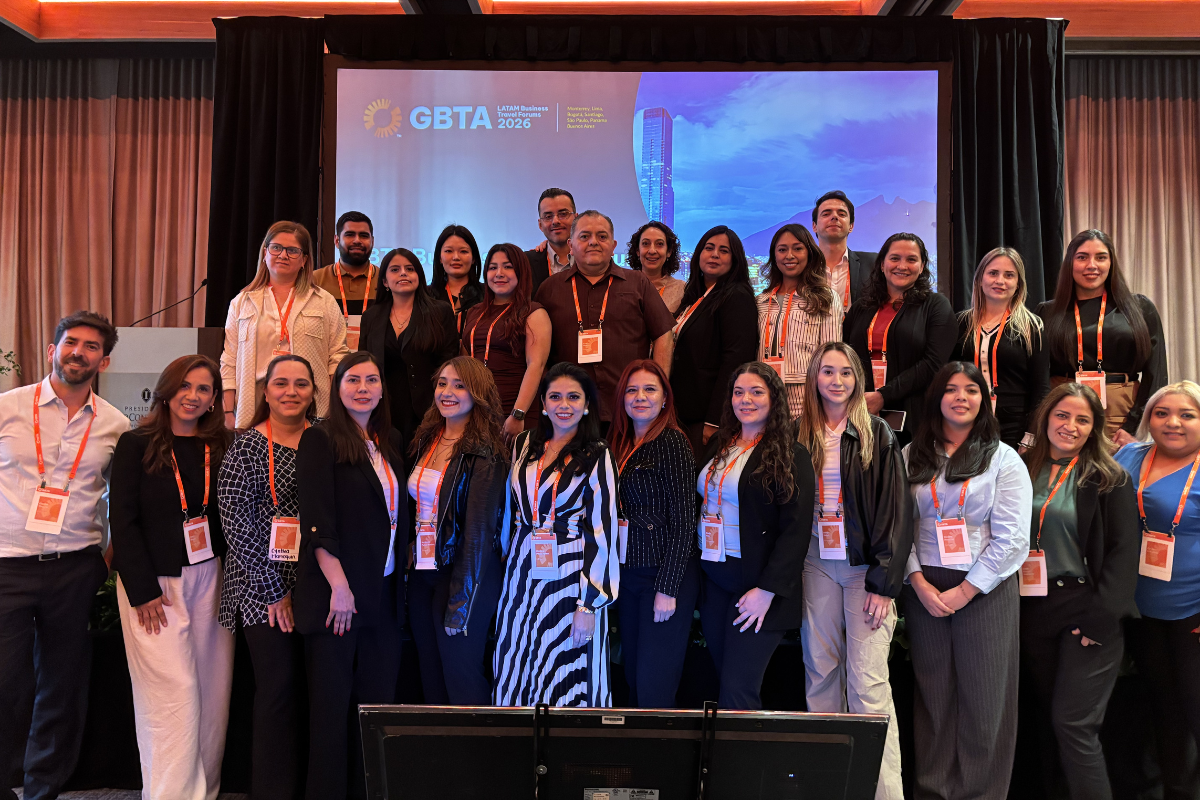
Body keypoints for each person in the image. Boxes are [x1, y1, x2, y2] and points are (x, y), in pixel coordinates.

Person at [0, 312, 129, 800]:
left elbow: (126, 502)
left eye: (92, 346)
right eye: (71, 342)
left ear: (104, 361)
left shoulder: (115, 424)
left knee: (61, 688)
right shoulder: (8, 407)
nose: (79, 352)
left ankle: (43, 791)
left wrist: (105, 561)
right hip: (6, 564)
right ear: (52, 349)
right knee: (6, 685)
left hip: (74, 568)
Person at [902, 361, 1032, 800]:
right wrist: (917, 581)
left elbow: (1013, 538)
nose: (961, 397)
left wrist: (966, 589)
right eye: (951, 389)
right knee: (933, 698)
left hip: (984, 587)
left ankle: (981, 792)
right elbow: (897, 527)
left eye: (971, 390)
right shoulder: (911, 455)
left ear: (984, 400)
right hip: (925, 586)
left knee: (984, 699)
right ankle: (932, 790)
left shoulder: (1003, 458)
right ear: (936, 398)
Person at [110, 354, 234, 800]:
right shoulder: (135, 443)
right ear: (166, 390)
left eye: (203, 389)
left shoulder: (222, 445)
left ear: (214, 399)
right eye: (184, 386)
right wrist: (141, 589)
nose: (192, 396)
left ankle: (206, 790)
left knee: (212, 692)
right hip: (155, 585)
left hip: (211, 578)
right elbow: (122, 521)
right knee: (172, 695)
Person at [796, 342, 911, 800]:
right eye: (828, 371)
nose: (837, 380)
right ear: (814, 378)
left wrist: (884, 583)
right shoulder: (798, 432)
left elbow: (895, 510)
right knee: (820, 675)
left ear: (858, 380)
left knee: (868, 686)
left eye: (846, 372)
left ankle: (885, 794)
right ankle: (829, 788)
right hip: (815, 565)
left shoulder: (877, 433)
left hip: (864, 570)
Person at [293, 351, 407, 800]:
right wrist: (339, 588)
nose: (363, 388)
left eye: (371, 380)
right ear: (337, 388)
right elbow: (317, 522)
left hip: (385, 593)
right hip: (338, 597)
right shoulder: (319, 438)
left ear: (382, 388)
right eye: (353, 380)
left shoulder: (390, 439)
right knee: (330, 711)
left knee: (374, 709)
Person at [1019, 382, 1138, 800]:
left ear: (1094, 428)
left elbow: (1124, 553)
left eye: (1082, 420)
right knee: (1045, 724)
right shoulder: (1020, 467)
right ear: (1045, 418)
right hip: (1033, 609)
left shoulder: (1109, 478)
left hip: (1086, 610)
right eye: (1062, 415)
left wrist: (1099, 621)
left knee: (1074, 724)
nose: (1070, 426)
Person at [218, 353, 319, 800]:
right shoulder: (245, 447)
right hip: (261, 589)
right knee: (277, 692)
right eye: (281, 384)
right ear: (265, 392)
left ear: (314, 392)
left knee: (311, 693)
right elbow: (237, 528)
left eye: (301, 384)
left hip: (314, 586)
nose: (291, 392)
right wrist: (275, 592)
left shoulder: (324, 441)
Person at [493, 362, 619, 707]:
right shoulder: (524, 443)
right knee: (517, 662)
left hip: (571, 578)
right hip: (522, 571)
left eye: (573, 397)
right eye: (555, 397)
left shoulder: (598, 454)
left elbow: (603, 532)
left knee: (566, 669)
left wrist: (589, 605)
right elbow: (509, 509)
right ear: (544, 404)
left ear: (587, 404)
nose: (564, 405)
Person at [696, 362, 814, 710]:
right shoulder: (720, 443)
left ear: (774, 399)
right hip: (714, 578)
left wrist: (767, 591)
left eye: (756, 392)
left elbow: (796, 532)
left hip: (758, 587)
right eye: (738, 392)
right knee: (724, 680)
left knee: (738, 690)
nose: (745, 399)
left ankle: (741, 749)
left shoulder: (792, 454)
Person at [1115, 381, 1200, 799]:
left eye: (1187, 415)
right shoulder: (1130, 456)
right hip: (1141, 609)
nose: (1173, 422)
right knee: (1164, 712)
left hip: (1193, 612)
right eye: (1162, 413)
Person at [406, 357, 508, 705]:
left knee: (460, 675)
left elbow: (478, 535)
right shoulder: (428, 437)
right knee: (430, 673)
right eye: (442, 383)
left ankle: (479, 742)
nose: (447, 392)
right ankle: (441, 742)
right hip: (424, 571)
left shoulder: (485, 450)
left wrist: (460, 604)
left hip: (465, 575)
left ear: (478, 393)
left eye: (459, 385)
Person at [608, 359, 698, 708]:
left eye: (649, 389)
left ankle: (661, 745)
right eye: (632, 390)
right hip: (629, 574)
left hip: (662, 576)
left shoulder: (672, 442)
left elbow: (685, 521)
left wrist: (668, 587)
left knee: (653, 686)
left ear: (664, 399)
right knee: (632, 676)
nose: (640, 397)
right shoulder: (618, 443)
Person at [535, 210, 675, 430]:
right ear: (571, 245)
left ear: (613, 245)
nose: (593, 242)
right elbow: (536, 351)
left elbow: (663, 334)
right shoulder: (549, 289)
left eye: (602, 236)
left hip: (629, 411)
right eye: (584, 236)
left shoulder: (638, 283)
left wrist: (656, 389)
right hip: (567, 414)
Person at [1037, 229, 1167, 447]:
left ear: (1111, 263)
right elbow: (1037, 376)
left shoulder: (1140, 308)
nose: (1091, 265)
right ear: (1070, 263)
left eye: (1100, 257)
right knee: (1065, 468)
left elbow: (1156, 373)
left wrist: (1133, 427)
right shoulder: (1047, 312)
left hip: (1121, 414)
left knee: (1115, 469)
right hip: (1063, 410)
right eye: (1082, 257)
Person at [220, 220, 348, 429]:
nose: (283, 255)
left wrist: (337, 410)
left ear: (304, 260)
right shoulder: (241, 302)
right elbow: (229, 359)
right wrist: (227, 410)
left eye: (292, 251)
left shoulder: (324, 301)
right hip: (253, 407)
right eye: (276, 248)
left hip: (313, 409)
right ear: (265, 253)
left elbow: (337, 357)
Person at [844, 232, 957, 443]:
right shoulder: (861, 307)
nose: (902, 266)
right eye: (895, 258)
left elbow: (934, 364)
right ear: (882, 264)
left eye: (911, 259)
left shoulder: (936, 306)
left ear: (922, 266)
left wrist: (883, 396)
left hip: (916, 418)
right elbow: (845, 356)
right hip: (861, 412)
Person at [359, 247, 458, 453]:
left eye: (410, 269)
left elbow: (449, 363)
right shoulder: (371, 316)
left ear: (419, 276)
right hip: (383, 411)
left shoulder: (440, 312)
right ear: (385, 282)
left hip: (429, 410)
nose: (403, 273)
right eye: (395, 270)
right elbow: (363, 364)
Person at [671, 226, 760, 454]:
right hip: (684, 411)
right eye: (709, 248)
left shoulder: (736, 296)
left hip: (707, 417)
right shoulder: (696, 296)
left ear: (735, 259)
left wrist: (716, 419)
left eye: (724, 251)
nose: (715, 255)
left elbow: (736, 360)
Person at [953, 247, 1050, 452]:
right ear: (980, 279)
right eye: (993, 273)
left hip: (1015, 425)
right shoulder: (960, 323)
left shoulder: (1032, 326)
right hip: (967, 419)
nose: (1000, 281)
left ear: (1018, 284)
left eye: (1009, 275)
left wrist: (1031, 436)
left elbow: (1040, 388)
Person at [460, 244, 552, 438]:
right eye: (493, 267)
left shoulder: (534, 312)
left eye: (508, 267)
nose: (499, 273)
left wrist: (518, 414)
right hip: (475, 411)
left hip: (515, 412)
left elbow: (536, 366)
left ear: (521, 272)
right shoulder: (474, 312)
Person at [755, 224, 843, 418]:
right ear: (774, 255)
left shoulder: (825, 298)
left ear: (809, 253)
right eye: (782, 250)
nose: (789, 255)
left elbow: (831, 355)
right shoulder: (760, 301)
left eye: (797, 248)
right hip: (763, 394)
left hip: (805, 398)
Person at [312, 211, 377, 351]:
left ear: (372, 241)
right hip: (329, 361)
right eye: (350, 234)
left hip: (375, 362)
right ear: (337, 241)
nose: (357, 240)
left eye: (364, 235)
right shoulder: (315, 280)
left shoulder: (386, 280)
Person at [811, 190, 878, 310]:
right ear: (814, 226)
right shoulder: (802, 266)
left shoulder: (874, 263)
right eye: (826, 214)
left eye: (841, 214)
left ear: (851, 226)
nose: (834, 217)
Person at [431, 224, 484, 333]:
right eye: (448, 251)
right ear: (440, 258)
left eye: (463, 251)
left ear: (474, 258)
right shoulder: (426, 295)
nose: (456, 257)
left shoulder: (488, 294)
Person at [626, 221, 686, 314]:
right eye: (645, 243)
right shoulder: (623, 286)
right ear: (638, 251)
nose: (652, 251)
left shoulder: (682, 290)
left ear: (669, 252)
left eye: (660, 244)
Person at [526, 187, 577, 293]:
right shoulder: (526, 263)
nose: (555, 221)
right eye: (548, 216)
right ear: (540, 225)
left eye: (563, 214)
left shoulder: (591, 258)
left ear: (576, 219)